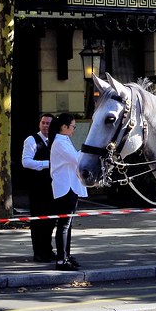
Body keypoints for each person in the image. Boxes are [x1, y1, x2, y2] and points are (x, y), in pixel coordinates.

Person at [48, 113, 87, 270]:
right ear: (64, 127)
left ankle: (65, 255)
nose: (74, 130)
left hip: (70, 186)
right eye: (73, 127)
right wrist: (87, 151)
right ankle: (61, 260)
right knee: (64, 225)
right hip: (66, 187)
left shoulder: (64, 140)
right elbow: (76, 159)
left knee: (67, 224)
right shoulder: (59, 142)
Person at [21, 113, 56, 262]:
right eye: (43, 123)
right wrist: (46, 164)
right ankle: (38, 251)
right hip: (37, 186)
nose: (46, 125)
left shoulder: (55, 140)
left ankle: (48, 249)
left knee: (50, 220)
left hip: (52, 186)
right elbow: (26, 162)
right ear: (39, 124)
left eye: (48, 123)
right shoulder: (31, 140)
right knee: (38, 220)